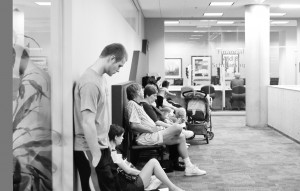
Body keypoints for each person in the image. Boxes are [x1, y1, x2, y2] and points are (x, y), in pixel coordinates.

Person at [73, 43, 128, 191]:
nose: (118, 70)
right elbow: (87, 122)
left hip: (102, 146)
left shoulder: (101, 79)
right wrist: (96, 153)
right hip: (90, 148)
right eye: (120, 66)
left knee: (112, 186)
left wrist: (106, 145)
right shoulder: (90, 82)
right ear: (111, 58)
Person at [126, 82, 207, 176]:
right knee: (177, 128)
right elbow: (134, 126)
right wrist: (151, 130)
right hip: (146, 137)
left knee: (180, 137)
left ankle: (189, 167)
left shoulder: (138, 104)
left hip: (152, 134)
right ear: (136, 92)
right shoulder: (132, 104)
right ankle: (184, 132)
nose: (143, 91)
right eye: (141, 90)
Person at [109, 124, 185, 191]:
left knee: (158, 176)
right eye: (121, 136)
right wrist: (145, 173)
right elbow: (128, 170)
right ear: (115, 137)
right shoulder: (113, 154)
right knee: (154, 162)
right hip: (131, 186)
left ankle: (165, 186)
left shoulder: (113, 150)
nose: (123, 138)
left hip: (128, 181)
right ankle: (172, 188)